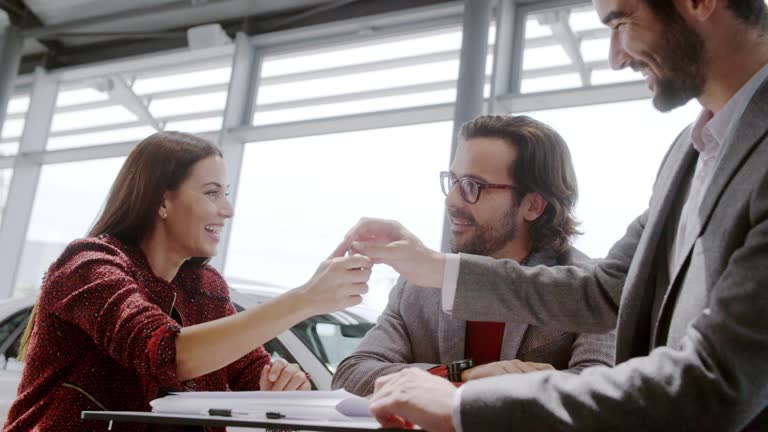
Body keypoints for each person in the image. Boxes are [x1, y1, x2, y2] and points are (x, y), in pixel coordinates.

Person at [340, 0, 768, 430]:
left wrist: (462, 403)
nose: (615, 57)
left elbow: (718, 384)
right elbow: (603, 292)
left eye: (622, 21)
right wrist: (433, 267)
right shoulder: (688, 151)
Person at [3, 131, 371, 432]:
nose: (227, 210)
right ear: (163, 200)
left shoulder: (206, 287)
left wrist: (286, 383)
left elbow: (251, 370)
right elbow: (163, 354)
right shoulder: (87, 265)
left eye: (225, 194)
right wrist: (304, 299)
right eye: (212, 192)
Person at [332, 115, 615, 397]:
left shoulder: (592, 289)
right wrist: (460, 376)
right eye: (453, 181)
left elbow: (600, 392)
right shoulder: (418, 287)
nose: (452, 200)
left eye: (473, 186)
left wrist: (495, 389)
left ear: (533, 205)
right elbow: (350, 375)